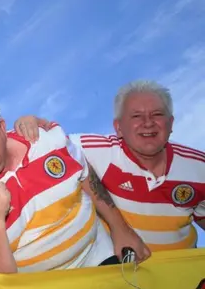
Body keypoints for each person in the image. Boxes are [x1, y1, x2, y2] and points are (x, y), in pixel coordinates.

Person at [0, 0, 146, 274]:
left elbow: (86, 175)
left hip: (101, 262)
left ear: (2, 127)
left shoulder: (46, 139)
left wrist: (121, 228)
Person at [14, 79, 205, 252]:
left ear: (171, 123)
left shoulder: (199, 167)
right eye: (136, 116)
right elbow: (50, 145)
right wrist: (30, 122)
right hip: (121, 272)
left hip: (180, 272)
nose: (148, 123)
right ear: (118, 128)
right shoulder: (96, 150)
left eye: (157, 114)